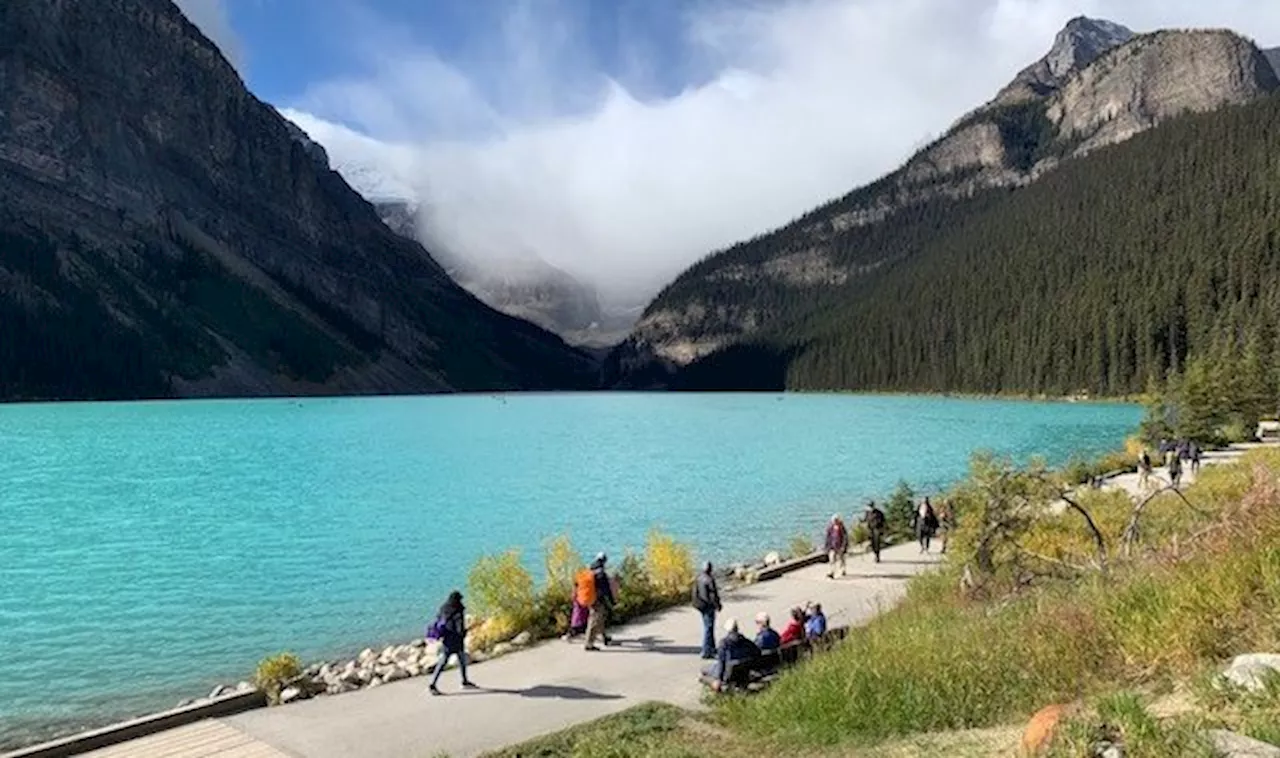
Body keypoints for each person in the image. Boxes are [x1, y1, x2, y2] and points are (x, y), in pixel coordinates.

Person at [428, 590, 476, 695]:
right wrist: (465, 632)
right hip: (457, 640)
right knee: (460, 660)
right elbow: (460, 627)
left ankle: (434, 683)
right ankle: (463, 681)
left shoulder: (443, 608)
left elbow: (439, 620)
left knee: (445, 661)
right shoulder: (458, 610)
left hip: (446, 639)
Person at [703, 618, 761, 691]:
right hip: (744, 673)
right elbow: (757, 652)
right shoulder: (746, 642)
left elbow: (721, 663)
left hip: (728, 675)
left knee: (705, 670)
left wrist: (719, 679)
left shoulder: (724, 643)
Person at [584, 553, 615, 651]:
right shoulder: (601, 573)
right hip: (597, 600)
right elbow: (606, 590)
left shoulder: (590, 569)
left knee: (600, 617)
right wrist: (612, 601)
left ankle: (604, 637)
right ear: (604, 561)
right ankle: (588, 644)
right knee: (594, 620)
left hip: (589, 598)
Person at [692, 561, 723, 659]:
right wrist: (717, 605)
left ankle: (712, 648)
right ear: (710, 569)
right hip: (708, 606)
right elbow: (713, 595)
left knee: (708, 627)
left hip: (700, 605)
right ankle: (706, 651)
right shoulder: (709, 580)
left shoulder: (698, 578)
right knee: (708, 628)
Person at [824, 514, 849, 579]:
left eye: (836, 520)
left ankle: (843, 569)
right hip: (832, 546)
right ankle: (832, 572)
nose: (835, 521)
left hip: (840, 546)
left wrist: (844, 546)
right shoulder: (830, 528)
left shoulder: (841, 527)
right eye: (834, 520)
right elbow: (828, 537)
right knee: (832, 559)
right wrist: (827, 546)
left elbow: (845, 537)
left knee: (841, 559)